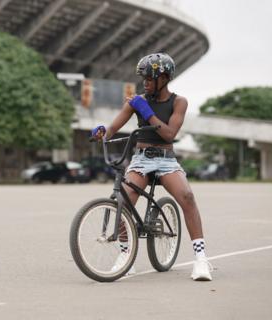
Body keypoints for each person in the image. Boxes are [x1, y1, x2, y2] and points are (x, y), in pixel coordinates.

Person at [91, 53, 213, 281]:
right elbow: (112, 128)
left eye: (149, 78)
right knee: (122, 202)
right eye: (143, 78)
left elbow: (169, 133)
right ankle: (126, 256)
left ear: (164, 78)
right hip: (141, 159)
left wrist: (146, 111)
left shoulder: (179, 102)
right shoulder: (138, 101)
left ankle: (201, 259)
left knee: (187, 196)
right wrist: (101, 133)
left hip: (166, 159)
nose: (145, 82)